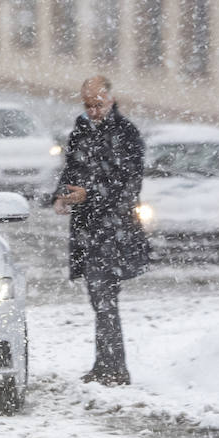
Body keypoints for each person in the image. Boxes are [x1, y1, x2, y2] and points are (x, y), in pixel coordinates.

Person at [53, 76, 150, 386]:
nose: (93, 110)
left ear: (110, 100)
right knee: (100, 298)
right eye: (88, 105)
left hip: (114, 230)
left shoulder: (126, 134)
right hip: (88, 228)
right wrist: (62, 194)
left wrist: (89, 194)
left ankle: (113, 367)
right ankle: (108, 364)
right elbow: (70, 171)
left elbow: (128, 184)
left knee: (104, 296)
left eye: (98, 104)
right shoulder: (80, 132)